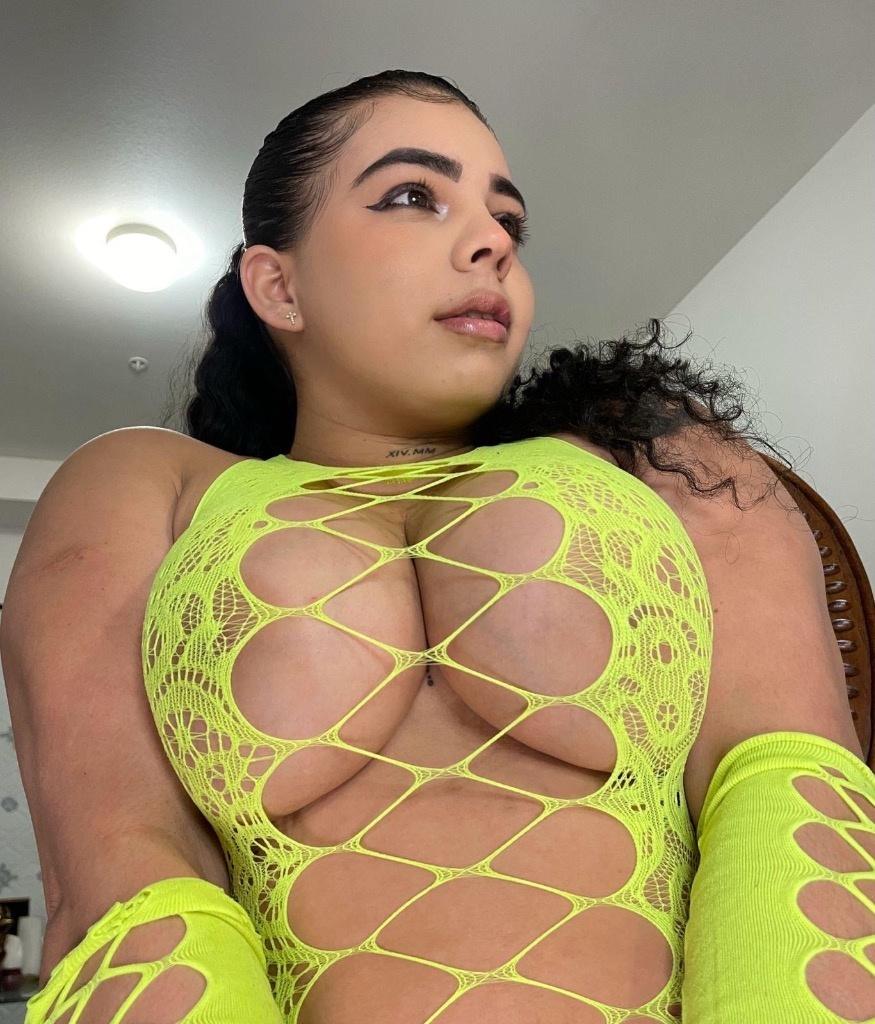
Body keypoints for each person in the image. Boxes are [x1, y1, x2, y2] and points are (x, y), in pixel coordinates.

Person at [2, 69, 872, 1024]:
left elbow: (791, 792)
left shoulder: (661, 456)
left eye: (508, 220)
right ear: (278, 286)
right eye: (413, 196)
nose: (491, 240)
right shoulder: (144, 483)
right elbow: (121, 882)